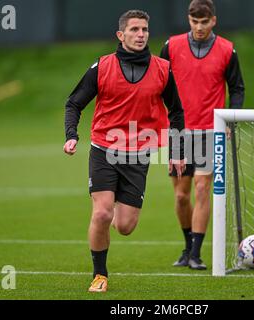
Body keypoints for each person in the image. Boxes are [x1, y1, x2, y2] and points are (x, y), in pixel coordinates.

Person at [64, 10, 185, 292]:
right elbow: (74, 103)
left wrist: (178, 150)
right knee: (103, 214)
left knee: (126, 226)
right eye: (134, 29)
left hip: (138, 154)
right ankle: (99, 275)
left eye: (144, 29)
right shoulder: (102, 67)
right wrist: (71, 135)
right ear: (121, 35)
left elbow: (176, 112)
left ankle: (113, 210)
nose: (140, 34)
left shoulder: (162, 69)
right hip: (104, 149)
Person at [160, 0, 245, 270]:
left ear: (213, 21)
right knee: (181, 196)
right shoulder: (170, 46)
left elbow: (237, 88)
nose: (199, 27)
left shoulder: (227, 50)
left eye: (204, 22)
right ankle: (187, 247)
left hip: (211, 130)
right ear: (188, 19)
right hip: (178, 131)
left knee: (201, 187)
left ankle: (196, 254)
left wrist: (231, 120)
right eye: (195, 22)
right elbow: (157, 82)